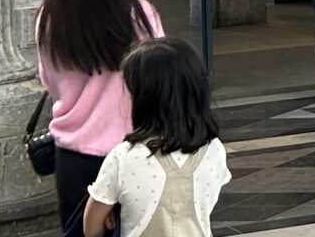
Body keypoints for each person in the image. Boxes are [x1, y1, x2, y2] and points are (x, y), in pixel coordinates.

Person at [39, 0, 165, 237]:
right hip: (132, 151)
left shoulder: (51, 18)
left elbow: (50, 82)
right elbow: (157, 80)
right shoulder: (140, 15)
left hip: (74, 154)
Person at [83, 37, 228, 237]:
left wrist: (114, 210)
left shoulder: (124, 158)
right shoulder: (214, 149)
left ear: (144, 100)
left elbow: (91, 228)